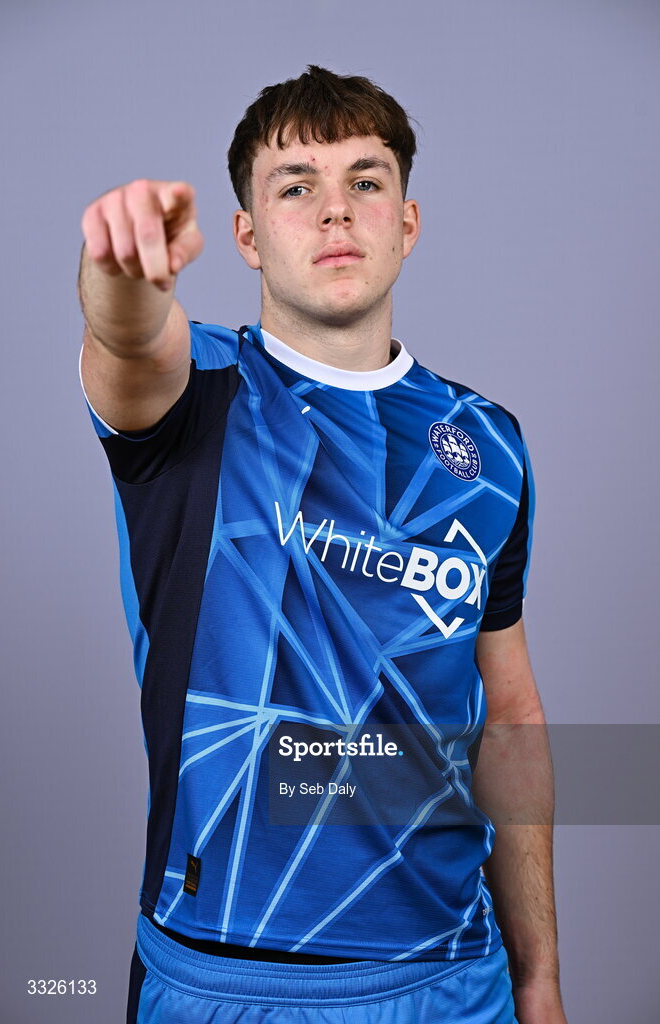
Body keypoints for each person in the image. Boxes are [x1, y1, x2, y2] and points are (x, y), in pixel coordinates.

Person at [77, 66, 567, 1024]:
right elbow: (129, 344)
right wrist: (116, 272)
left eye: (365, 181)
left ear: (407, 222)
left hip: (453, 980)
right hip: (225, 981)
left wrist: (538, 974)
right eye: (296, 186)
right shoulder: (200, 395)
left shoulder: (489, 444)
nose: (335, 211)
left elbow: (507, 717)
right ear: (249, 238)